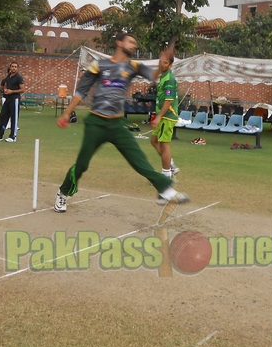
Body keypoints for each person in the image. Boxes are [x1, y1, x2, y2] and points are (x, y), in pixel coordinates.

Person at [54, 33, 189, 214]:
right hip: (96, 123)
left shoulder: (133, 66)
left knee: (138, 159)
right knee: (82, 164)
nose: (134, 45)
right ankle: (63, 192)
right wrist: (66, 113)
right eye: (130, 41)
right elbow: (81, 92)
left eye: (135, 42)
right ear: (119, 42)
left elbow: (153, 75)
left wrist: (160, 64)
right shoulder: (99, 65)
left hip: (116, 125)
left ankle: (165, 189)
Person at [151, 49, 180, 179]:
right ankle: (171, 165)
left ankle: (166, 175)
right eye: (160, 61)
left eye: (165, 62)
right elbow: (153, 76)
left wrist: (158, 117)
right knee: (154, 141)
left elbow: (169, 100)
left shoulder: (169, 78)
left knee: (164, 145)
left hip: (167, 115)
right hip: (163, 115)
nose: (162, 64)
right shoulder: (163, 75)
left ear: (170, 65)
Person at [0, 62, 25, 142]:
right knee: (3, 116)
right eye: (12, 66)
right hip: (7, 99)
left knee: (14, 118)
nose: (14, 68)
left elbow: (22, 89)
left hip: (15, 99)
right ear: (10, 67)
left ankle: (13, 136)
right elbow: (4, 86)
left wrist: (12, 91)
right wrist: (4, 90)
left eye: (15, 67)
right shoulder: (8, 77)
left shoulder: (19, 77)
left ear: (17, 68)